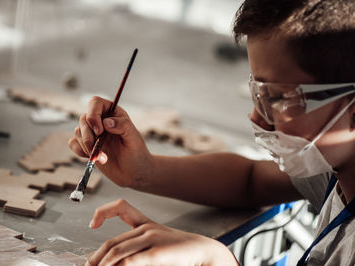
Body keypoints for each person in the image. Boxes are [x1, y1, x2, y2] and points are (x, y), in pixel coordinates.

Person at [68, 0, 355, 265]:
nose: (256, 117)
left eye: (279, 99)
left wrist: (218, 259)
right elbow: (250, 180)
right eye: (258, 93)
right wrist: (145, 170)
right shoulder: (337, 169)